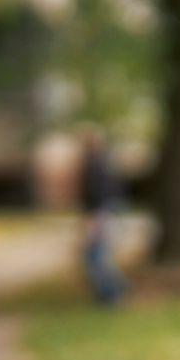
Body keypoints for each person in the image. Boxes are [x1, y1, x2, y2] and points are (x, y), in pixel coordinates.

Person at [79, 130, 127, 304]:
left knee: (94, 257)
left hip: (99, 215)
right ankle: (115, 288)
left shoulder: (95, 166)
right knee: (97, 256)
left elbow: (97, 196)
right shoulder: (104, 165)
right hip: (103, 214)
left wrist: (94, 219)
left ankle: (113, 291)